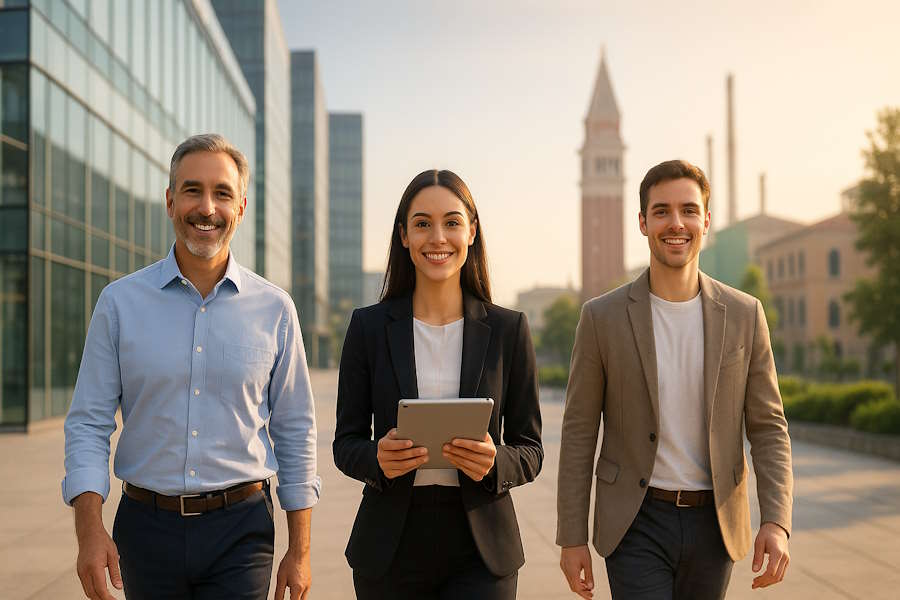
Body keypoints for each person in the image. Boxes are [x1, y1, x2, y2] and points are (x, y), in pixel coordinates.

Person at [62, 134, 320, 600]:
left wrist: (299, 551)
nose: (206, 207)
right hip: (145, 529)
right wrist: (88, 531)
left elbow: (295, 429)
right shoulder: (119, 304)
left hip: (241, 530)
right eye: (192, 190)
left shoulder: (275, 310)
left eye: (221, 193)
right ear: (169, 201)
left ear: (240, 207)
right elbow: (88, 423)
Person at [557, 159, 793, 599]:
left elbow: (768, 428)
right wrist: (572, 535)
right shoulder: (600, 317)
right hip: (634, 521)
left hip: (715, 523)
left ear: (706, 219)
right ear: (643, 223)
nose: (676, 223)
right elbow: (578, 432)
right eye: (661, 211)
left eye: (688, 210)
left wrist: (776, 521)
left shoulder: (745, 314)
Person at [333, 169, 543, 599]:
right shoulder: (368, 328)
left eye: (451, 222)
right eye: (422, 223)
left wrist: (494, 462)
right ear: (404, 236)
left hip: (482, 548)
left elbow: (531, 449)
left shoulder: (508, 329)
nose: (438, 237)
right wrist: (377, 457)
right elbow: (345, 442)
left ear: (471, 232)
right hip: (390, 543)